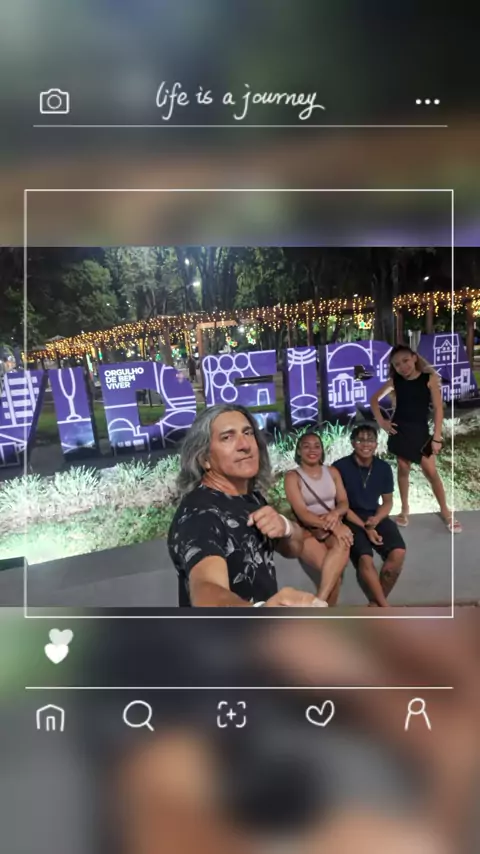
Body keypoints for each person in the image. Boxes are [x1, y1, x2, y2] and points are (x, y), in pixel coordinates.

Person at [168, 404, 329, 608]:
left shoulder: (251, 498)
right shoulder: (199, 514)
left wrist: (286, 526)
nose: (244, 445)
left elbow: (295, 548)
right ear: (205, 459)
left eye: (248, 433)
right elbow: (207, 593)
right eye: (227, 437)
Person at [370, 343, 461, 533]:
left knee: (431, 471)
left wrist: (437, 437)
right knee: (403, 468)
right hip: (399, 431)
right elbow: (374, 400)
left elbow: (438, 409)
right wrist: (382, 422)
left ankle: (446, 511)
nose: (402, 367)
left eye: (405, 361)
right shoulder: (395, 381)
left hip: (421, 432)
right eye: (397, 364)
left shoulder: (429, 378)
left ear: (414, 358)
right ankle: (405, 509)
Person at [332, 425, 406, 608]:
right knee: (365, 559)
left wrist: (376, 520)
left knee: (398, 553)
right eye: (360, 440)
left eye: (370, 440)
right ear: (352, 443)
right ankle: (384, 607)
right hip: (349, 518)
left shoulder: (383, 468)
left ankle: (375, 606)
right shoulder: (339, 467)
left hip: (374, 516)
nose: (366, 444)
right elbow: (341, 505)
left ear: (376, 443)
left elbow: (387, 502)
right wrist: (366, 528)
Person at [284, 430, 352, 605]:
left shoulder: (332, 472)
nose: (312, 450)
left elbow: (344, 502)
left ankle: (319, 603)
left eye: (316, 446)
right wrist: (335, 526)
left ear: (322, 450)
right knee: (333, 580)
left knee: (344, 541)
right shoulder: (292, 477)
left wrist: (335, 514)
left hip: (331, 526)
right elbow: (303, 514)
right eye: (306, 446)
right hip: (308, 531)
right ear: (299, 451)